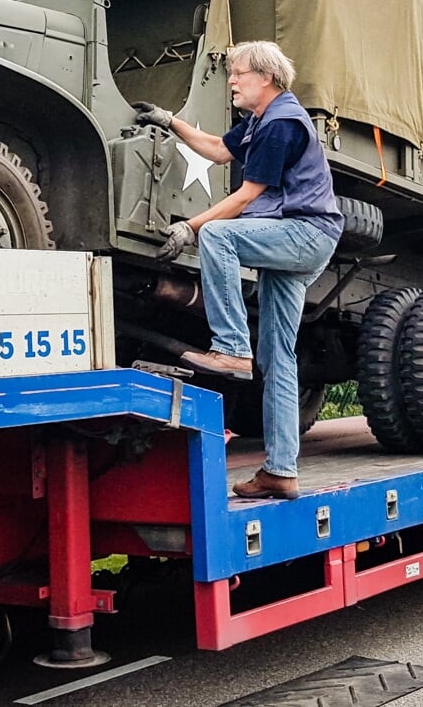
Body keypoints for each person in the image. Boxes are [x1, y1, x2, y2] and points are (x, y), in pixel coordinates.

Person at [132, 41, 343, 501]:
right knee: (277, 358)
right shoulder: (260, 121)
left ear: (265, 78)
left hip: (304, 233)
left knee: (217, 236)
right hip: (291, 235)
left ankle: (229, 347)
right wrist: (172, 122)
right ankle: (280, 471)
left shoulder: (282, 124)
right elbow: (217, 151)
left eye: (239, 73)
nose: (231, 80)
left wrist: (191, 226)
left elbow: (247, 195)